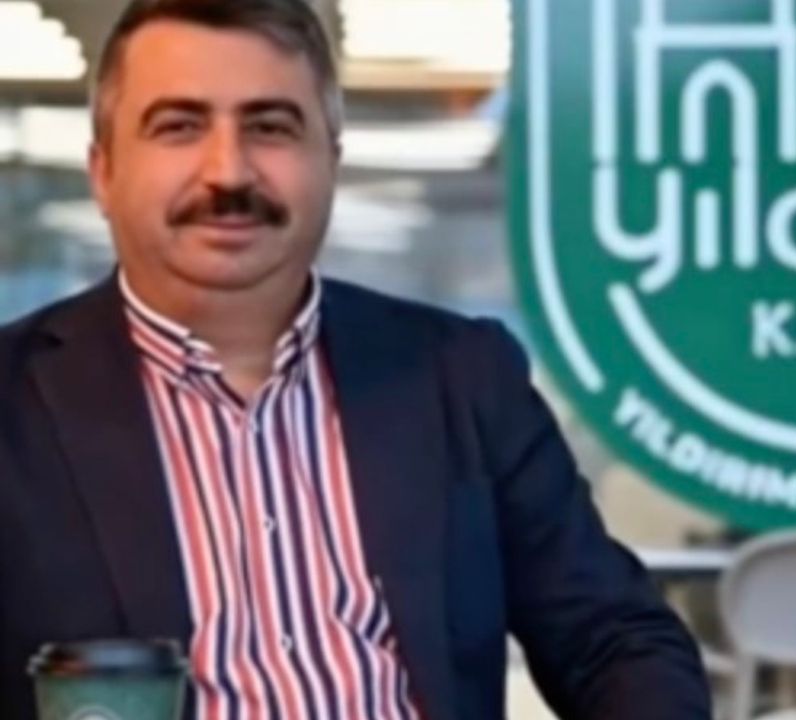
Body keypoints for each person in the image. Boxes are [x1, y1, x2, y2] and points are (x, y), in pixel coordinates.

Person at [0, 0, 712, 718]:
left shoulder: (461, 377)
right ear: (104, 171)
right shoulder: (13, 403)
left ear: (329, 162)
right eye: (180, 126)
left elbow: (614, 640)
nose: (228, 172)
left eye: (270, 127)